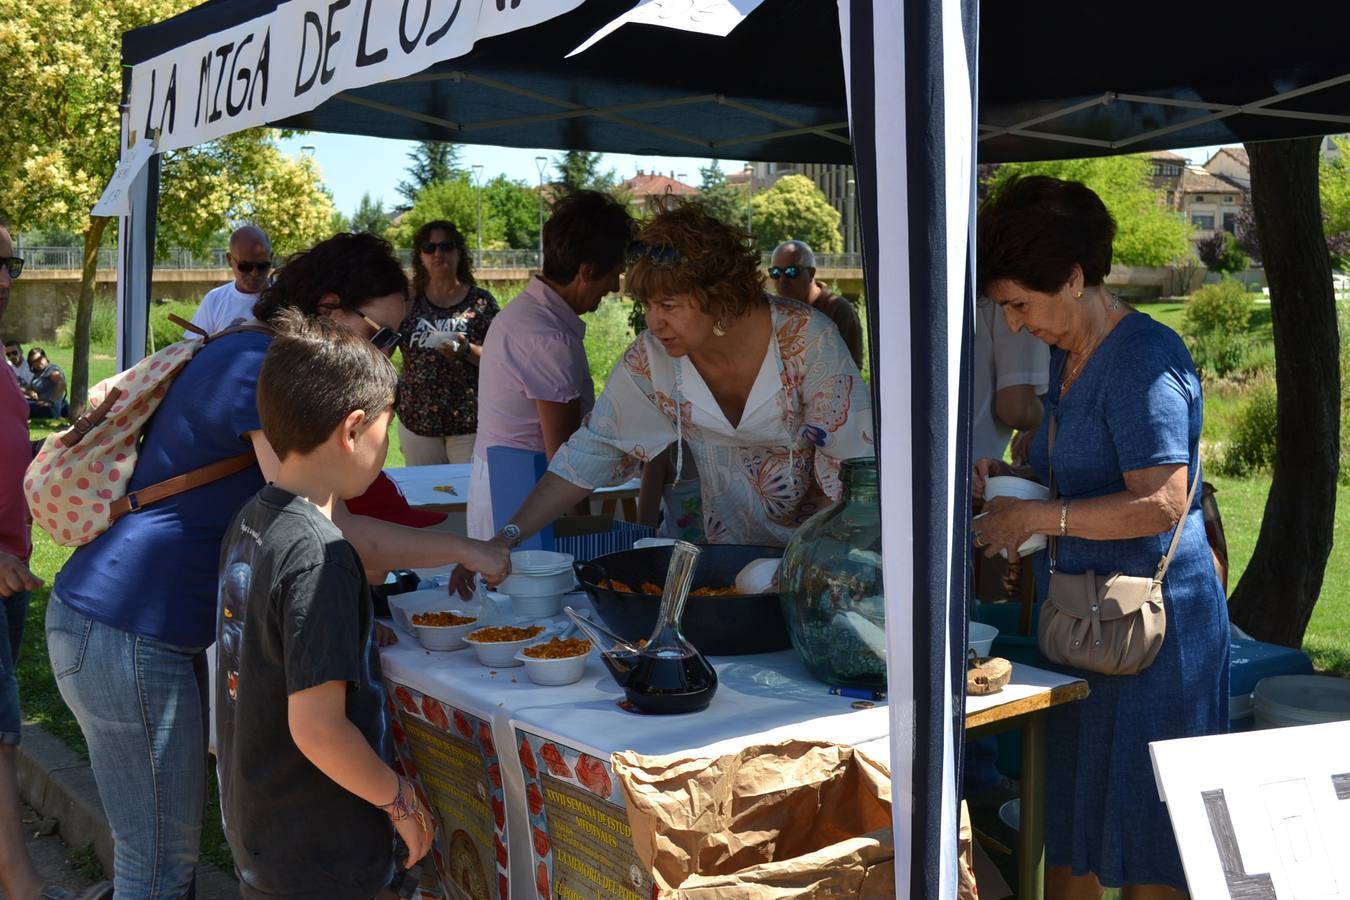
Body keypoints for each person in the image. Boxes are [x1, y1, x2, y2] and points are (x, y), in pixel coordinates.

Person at [46, 232, 508, 899]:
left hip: (128, 626)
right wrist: (464, 547)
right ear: (329, 305)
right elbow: (331, 528)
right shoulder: (259, 365)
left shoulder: (255, 354)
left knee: (158, 858)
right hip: (121, 626)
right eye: (379, 336)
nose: (383, 355)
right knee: (156, 868)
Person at [971, 175, 1228, 899]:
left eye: (1020, 305)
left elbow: (1163, 500)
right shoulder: (1068, 356)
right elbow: (1089, 469)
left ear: (1075, 278)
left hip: (1156, 638)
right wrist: (1016, 476)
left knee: (1152, 841)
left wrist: (1038, 519)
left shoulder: (1144, 360)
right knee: (1073, 824)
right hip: (1087, 625)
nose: (1014, 325)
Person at [472, 202, 873, 557]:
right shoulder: (653, 358)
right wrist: (507, 535)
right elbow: (591, 451)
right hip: (728, 557)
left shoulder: (807, 339)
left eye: (668, 305)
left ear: (721, 295)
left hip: (823, 555)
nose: (653, 321)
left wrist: (806, 565)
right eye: (646, 304)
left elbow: (856, 471)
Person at [216, 311, 433, 898]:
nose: (389, 446)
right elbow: (317, 729)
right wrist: (401, 800)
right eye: (389, 428)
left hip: (262, 827)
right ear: (354, 428)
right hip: (320, 851)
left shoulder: (253, 518)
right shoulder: (323, 555)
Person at [468, 190, 635, 538]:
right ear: (586, 271)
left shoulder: (525, 312)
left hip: (507, 486)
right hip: (528, 494)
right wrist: (580, 530)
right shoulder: (548, 337)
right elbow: (565, 457)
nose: (613, 287)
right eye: (613, 276)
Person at [395, 220, 500, 465]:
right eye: (429, 248)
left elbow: (500, 360)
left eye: (446, 246)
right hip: (417, 423)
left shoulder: (481, 302)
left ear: (459, 252)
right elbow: (383, 348)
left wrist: (465, 350)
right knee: (425, 500)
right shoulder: (408, 302)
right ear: (420, 256)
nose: (438, 253)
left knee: (469, 498)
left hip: (469, 422)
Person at [769, 240, 865, 368]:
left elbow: (851, 373)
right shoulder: (774, 312)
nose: (782, 280)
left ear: (811, 273)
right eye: (775, 272)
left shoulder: (838, 312)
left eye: (791, 272)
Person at [184, 225, 272, 339]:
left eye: (262, 266)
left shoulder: (286, 296)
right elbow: (191, 346)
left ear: (271, 258)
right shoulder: (214, 300)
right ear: (230, 259)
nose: (254, 273)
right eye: (245, 266)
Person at [22, 347, 65, 419]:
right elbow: (28, 389)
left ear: (45, 357)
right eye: (33, 362)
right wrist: (30, 392)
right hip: (38, 404)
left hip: (49, 409)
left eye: (39, 359)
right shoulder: (39, 373)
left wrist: (51, 402)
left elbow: (61, 384)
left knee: (19, 405)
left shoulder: (51, 370)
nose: (37, 363)